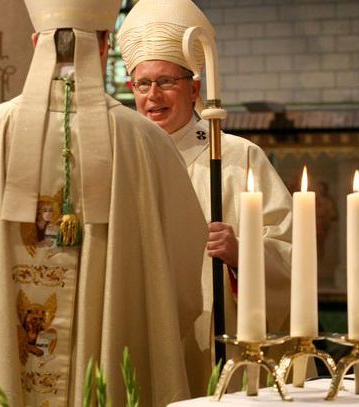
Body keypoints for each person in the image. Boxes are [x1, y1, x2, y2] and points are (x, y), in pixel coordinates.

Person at [0, 0, 207, 406]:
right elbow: (180, 272)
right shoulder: (144, 142)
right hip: (108, 360)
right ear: (106, 44)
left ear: (36, 41)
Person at [118, 0, 293, 395]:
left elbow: (289, 249)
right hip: (142, 327)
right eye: (142, 84)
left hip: (220, 340)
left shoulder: (235, 156)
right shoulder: (122, 159)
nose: (152, 96)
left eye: (166, 82)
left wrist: (241, 252)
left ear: (194, 88)